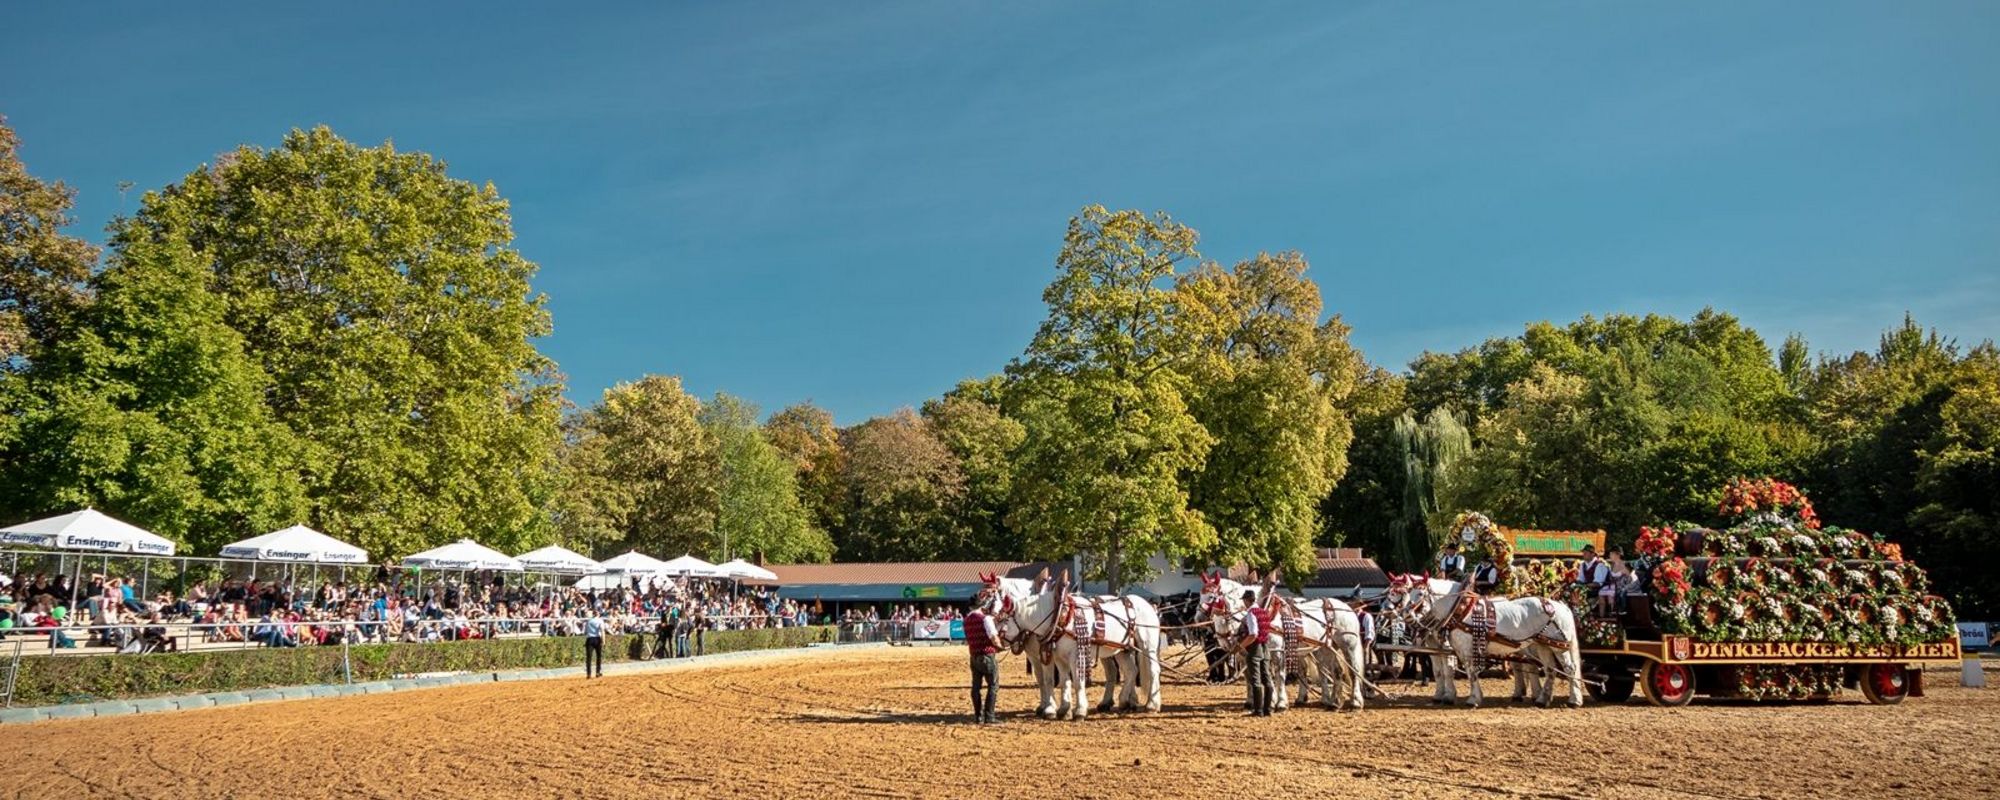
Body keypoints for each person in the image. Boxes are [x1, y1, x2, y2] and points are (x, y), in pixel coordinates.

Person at [963, 593, 1001, 724]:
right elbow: (993, 638)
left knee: (976, 687)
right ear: (981, 605)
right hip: (987, 655)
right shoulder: (986, 619)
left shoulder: (966, 620)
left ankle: (978, 716)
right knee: (993, 685)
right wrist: (1000, 646)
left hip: (974, 656)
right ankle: (989, 716)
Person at [1238, 590, 1273, 717]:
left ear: (1247, 600)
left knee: (1256, 680)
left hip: (1255, 647)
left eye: (1244, 600)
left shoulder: (1251, 613)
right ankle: (1267, 709)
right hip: (1265, 647)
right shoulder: (1264, 612)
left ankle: (1258, 711)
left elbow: (1253, 634)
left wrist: (1240, 646)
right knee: (1267, 678)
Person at [582, 609, 605, 678]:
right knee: (598, 656)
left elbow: (585, 631)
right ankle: (598, 672)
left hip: (589, 639)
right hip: (597, 638)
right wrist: (603, 641)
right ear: (598, 614)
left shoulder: (589, 621)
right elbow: (602, 631)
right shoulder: (600, 620)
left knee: (589, 657)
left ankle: (588, 674)